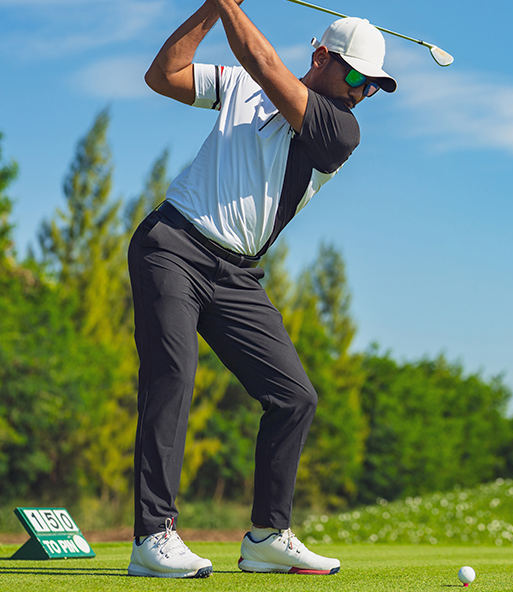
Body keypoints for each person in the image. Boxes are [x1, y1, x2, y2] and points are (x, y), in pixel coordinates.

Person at [127, 0, 395, 578]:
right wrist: (209, 11)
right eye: (354, 75)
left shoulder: (340, 131)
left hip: (238, 275)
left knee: (294, 396)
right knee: (172, 375)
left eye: (371, 86)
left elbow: (262, 59)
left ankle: (267, 535)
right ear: (321, 56)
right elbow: (163, 75)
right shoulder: (240, 88)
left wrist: (228, 3)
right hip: (172, 246)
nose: (360, 92)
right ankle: (153, 536)